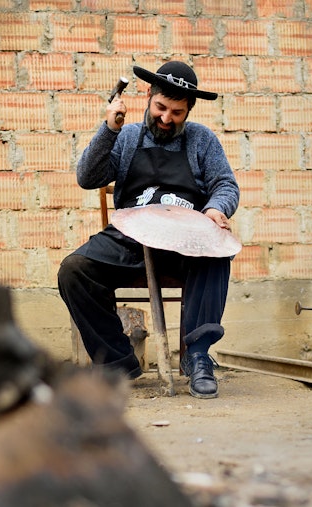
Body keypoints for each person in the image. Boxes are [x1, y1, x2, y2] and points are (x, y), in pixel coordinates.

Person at [57, 61, 240, 399]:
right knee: (74, 270)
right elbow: (87, 178)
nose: (167, 118)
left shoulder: (202, 140)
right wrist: (108, 129)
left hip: (183, 244)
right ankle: (116, 363)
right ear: (148, 96)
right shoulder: (126, 136)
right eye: (160, 108)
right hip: (130, 239)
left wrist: (216, 208)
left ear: (189, 110)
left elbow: (225, 184)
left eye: (177, 112)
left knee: (218, 253)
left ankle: (198, 357)